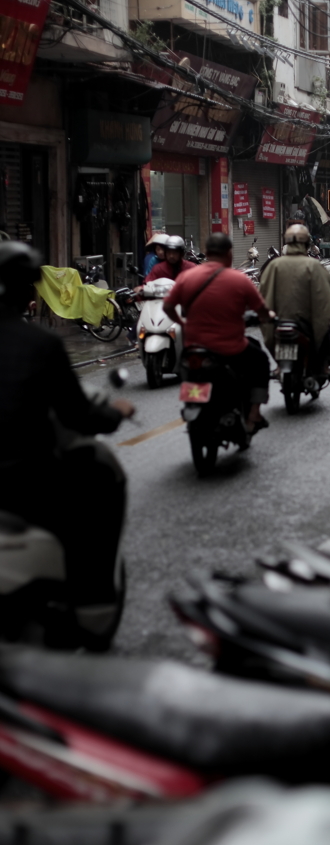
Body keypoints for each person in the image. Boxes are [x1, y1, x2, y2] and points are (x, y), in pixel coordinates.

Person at [0, 242, 135, 638]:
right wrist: (115, 413)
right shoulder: (41, 345)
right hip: (26, 477)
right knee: (98, 480)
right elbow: (78, 414)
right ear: (30, 293)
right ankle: (94, 603)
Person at [163, 234, 274, 433]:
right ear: (229, 253)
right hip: (231, 349)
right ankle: (254, 414)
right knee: (260, 361)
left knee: (190, 373)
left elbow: (168, 306)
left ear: (206, 253)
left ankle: (195, 402)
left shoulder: (187, 277)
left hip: (194, 350)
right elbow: (262, 310)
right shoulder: (239, 280)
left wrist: (183, 323)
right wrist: (270, 316)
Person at [259, 224, 330, 377]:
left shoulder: (274, 265)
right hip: (306, 323)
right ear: (307, 244)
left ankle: (279, 366)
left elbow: (262, 292)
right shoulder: (314, 265)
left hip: (278, 321)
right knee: (324, 332)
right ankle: (322, 368)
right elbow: (329, 293)